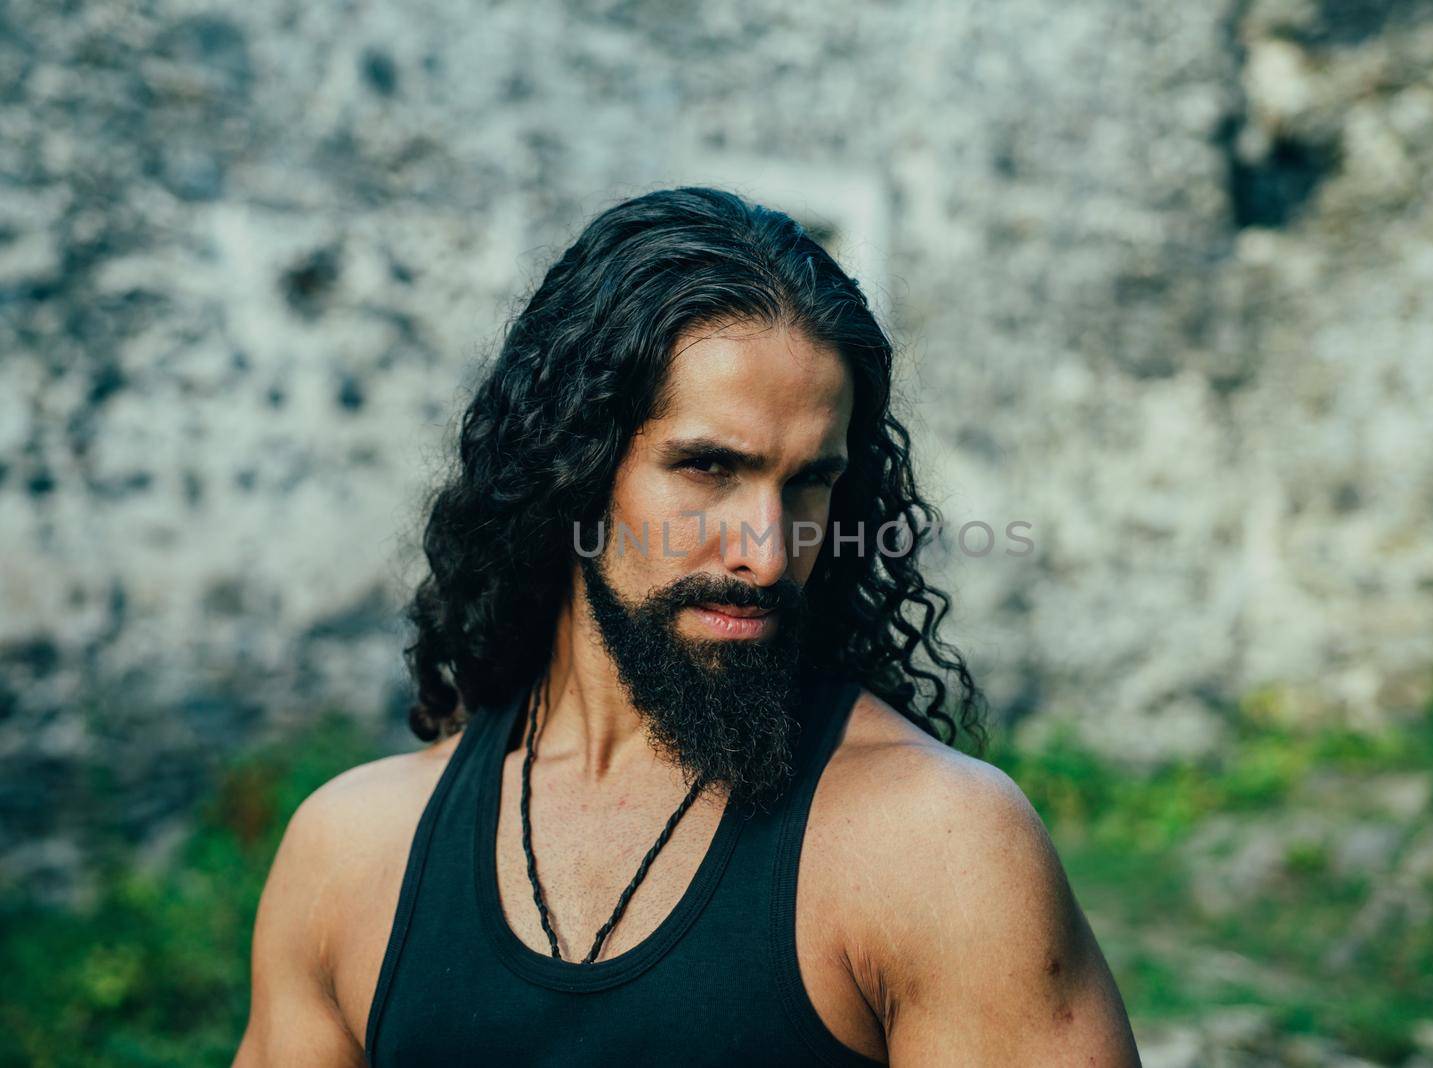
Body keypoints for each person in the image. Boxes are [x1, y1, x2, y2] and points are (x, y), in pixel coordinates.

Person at [234, 187, 1140, 1066]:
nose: (769, 553)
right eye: (708, 466)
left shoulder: (936, 848)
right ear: (571, 469)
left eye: (808, 482)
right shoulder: (354, 854)